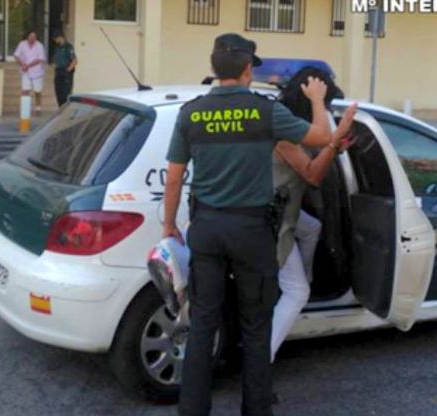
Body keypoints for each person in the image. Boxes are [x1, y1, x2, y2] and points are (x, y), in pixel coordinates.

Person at [163, 33, 354, 416]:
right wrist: (317, 101)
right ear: (248, 68)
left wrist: (169, 226)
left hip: (207, 230)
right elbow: (319, 136)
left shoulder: (191, 113)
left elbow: (173, 177)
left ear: (215, 67)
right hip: (252, 233)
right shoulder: (264, 111)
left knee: (202, 327)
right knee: (255, 330)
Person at [270, 68, 357, 362]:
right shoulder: (282, 130)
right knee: (297, 292)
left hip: (282, 215)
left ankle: (302, 279)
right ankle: (260, 360)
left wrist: (334, 147)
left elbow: (312, 147)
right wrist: (333, 141)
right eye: (324, 105)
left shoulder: (287, 119)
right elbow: (313, 175)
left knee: (311, 228)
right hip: (272, 222)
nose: (327, 111)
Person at [14, 30, 46, 115]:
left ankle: (38, 108)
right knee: (25, 90)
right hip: (25, 71)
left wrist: (28, 65)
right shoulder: (22, 44)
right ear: (27, 37)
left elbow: (40, 59)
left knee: (37, 90)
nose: (33, 38)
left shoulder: (39, 45)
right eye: (31, 36)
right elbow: (16, 55)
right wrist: (22, 64)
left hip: (37, 72)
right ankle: (25, 109)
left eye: (34, 37)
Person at [52, 31, 77, 106]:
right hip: (58, 71)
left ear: (60, 37)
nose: (55, 41)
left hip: (65, 72)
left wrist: (68, 70)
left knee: (65, 94)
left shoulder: (68, 47)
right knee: (58, 93)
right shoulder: (57, 47)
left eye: (56, 39)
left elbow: (74, 60)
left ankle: (65, 110)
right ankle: (60, 109)